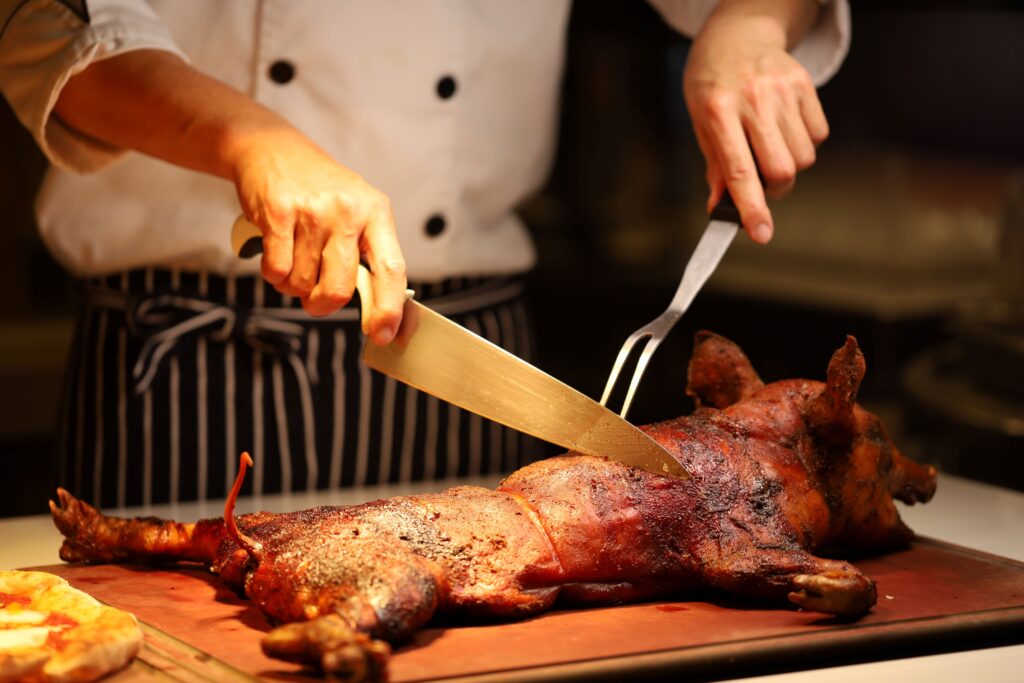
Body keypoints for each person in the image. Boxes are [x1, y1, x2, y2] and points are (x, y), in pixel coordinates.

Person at [0, 0, 850, 508]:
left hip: (461, 373)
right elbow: (43, 21)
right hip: (182, 373)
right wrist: (246, 136)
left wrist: (746, 26)